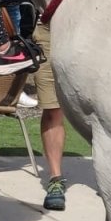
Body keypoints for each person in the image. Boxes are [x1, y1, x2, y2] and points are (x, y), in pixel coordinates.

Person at [31, 23, 68, 210]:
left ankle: (109, 175)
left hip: (91, 26)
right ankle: (55, 178)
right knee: (52, 107)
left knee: (102, 110)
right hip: (48, 27)